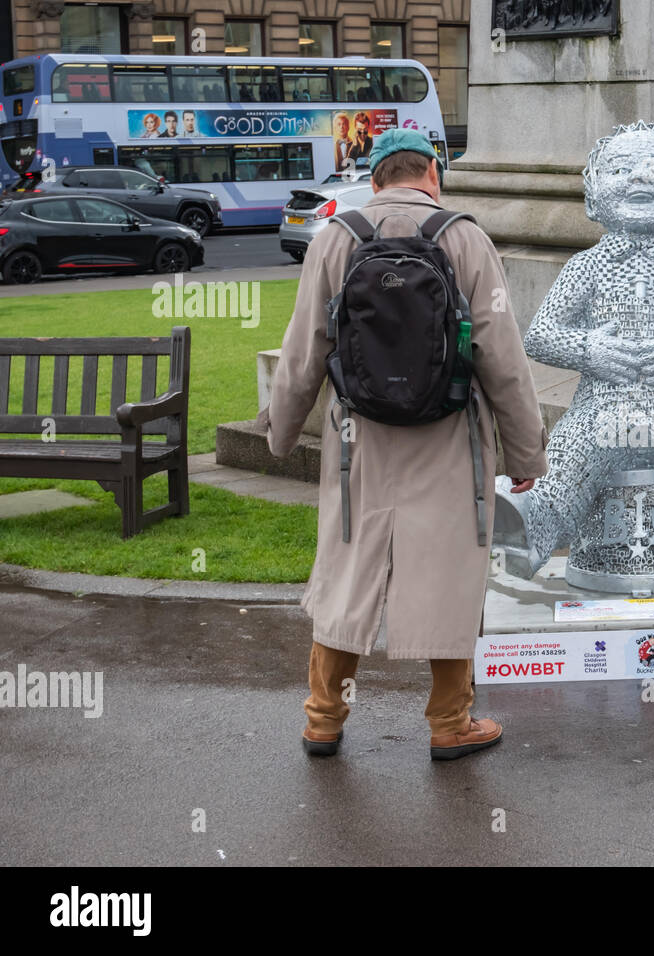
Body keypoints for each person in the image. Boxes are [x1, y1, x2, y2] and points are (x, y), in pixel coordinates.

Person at [265, 129, 549, 760]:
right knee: (448, 573)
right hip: (449, 439)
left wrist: (281, 435)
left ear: (375, 179)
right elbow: (502, 355)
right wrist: (526, 453)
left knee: (348, 570)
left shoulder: (338, 237)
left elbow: (303, 349)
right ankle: (451, 723)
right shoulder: (464, 237)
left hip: (356, 440)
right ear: (433, 176)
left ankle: (323, 717)